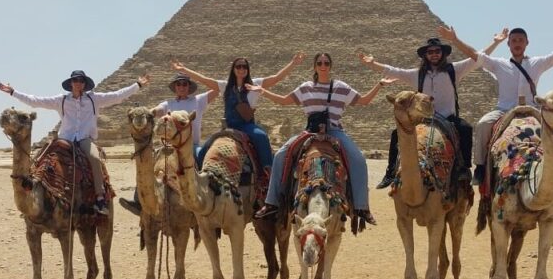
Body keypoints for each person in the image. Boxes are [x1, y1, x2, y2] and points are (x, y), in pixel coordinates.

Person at [251, 52, 396, 224]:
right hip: (310, 132)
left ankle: (361, 207)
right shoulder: (306, 87)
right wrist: (262, 91)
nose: (323, 65)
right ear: (314, 66)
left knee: (358, 160)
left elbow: (363, 101)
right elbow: (283, 101)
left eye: (326, 62)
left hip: (334, 131)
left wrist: (379, 85)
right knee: (281, 155)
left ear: (330, 66)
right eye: (319, 62)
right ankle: (272, 203)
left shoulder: (340, 87)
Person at [358, 24, 507, 188]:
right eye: (430, 52)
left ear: (442, 53)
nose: (434, 54)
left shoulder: (454, 70)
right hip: (424, 119)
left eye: (437, 51)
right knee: (396, 134)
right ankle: (390, 172)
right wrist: (372, 64)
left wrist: (496, 43)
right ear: (425, 55)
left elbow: (478, 58)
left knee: (465, 128)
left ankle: (465, 169)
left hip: (447, 119)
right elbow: (394, 71)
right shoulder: (417, 75)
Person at [454, 25, 553, 185]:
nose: (517, 43)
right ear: (508, 44)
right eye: (514, 41)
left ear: (527, 43)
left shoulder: (536, 63)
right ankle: (480, 167)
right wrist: (455, 40)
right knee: (483, 124)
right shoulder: (498, 64)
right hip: (504, 110)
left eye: (520, 40)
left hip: (531, 110)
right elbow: (475, 55)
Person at [0, 70, 150, 214]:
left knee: (95, 158)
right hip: (65, 139)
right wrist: (13, 92)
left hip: (84, 139)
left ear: (84, 84)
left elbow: (118, 96)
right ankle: (34, 187)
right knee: (42, 156)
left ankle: (100, 198)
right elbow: (35, 101)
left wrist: (138, 85)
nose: (78, 83)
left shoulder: (94, 99)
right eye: (75, 80)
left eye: (81, 80)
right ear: (71, 83)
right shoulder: (61, 100)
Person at [171, 52, 305, 175]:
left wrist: (292, 64)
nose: (241, 69)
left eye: (244, 67)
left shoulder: (256, 84)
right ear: (233, 69)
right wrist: (184, 70)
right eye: (238, 66)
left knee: (261, 136)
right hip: (229, 127)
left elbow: (276, 78)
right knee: (204, 149)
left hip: (247, 126)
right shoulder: (225, 86)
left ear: (248, 69)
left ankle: (267, 172)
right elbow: (204, 79)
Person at [118, 71, 218, 215]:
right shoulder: (168, 104)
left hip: (190, 146)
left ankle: (210, 200)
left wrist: (194, 75)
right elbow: (157, 110)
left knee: (203, 161)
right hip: (168, 147)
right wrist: (148, 112)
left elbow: (218, 89)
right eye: (179, 84)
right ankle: (138, 201)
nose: (182, 86)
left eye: (185, 84)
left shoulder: (198, 100)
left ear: (189, 86)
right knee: (147, 164)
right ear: (175, 87)